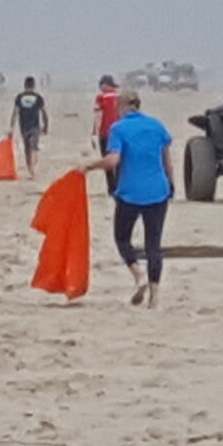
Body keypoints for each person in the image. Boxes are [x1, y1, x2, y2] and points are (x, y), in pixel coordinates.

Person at [92, 90, 175, 307]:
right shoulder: (157, 126)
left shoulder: (118, 128)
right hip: (158, 191)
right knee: (153, 245)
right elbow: (167, 160)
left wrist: (88, 166)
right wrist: (171, 184)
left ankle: (138, 275)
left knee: (122, 238)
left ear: (121, 107)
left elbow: (112, 161)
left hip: (130, 193)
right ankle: (155, 298)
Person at [11, 77, 50, 177]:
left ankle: (30, 168)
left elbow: (15, 113)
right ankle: (32, 169)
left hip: (23, 126)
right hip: (35, 126)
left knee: (27, 148)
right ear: (33, 85)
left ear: (25, 85)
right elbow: (44, 113)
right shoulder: (38, 97)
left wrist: (11, 127)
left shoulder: (19, 97)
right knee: (34, 147)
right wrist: (46, 126)